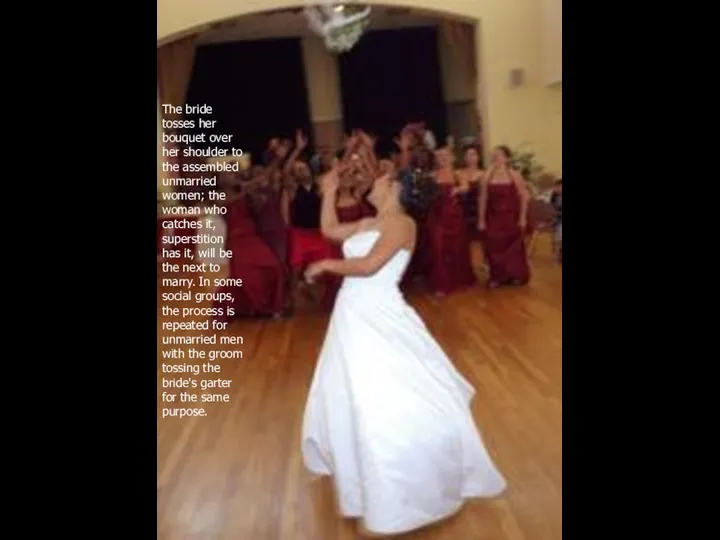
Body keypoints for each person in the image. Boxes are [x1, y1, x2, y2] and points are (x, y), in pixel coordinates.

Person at [301, 164, 506, 537]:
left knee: (384, 396)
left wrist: (325, 264)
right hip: (352, 315)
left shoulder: (402, 224)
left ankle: (403, 487)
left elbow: (368, 265)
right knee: (351, 392)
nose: (373, 179)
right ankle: (362, 476)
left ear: (393, 187)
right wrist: (329, 191)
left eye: (381, 176)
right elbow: (330, 230)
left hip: (379, 314)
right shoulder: (370, 221)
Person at [423, 145, 476, 296]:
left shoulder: (457, 173)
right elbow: (426, 195)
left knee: (456, 247)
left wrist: (458, 189)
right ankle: (441, 284)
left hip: (454, 216)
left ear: (451, 157)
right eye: (439, 156)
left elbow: (466, 187)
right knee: (438, 248)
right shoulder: (432, 175)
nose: (442, 159)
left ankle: (459, 279)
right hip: (437, 216)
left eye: (445, 155)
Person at [478, 145, 531, 288]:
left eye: (499, 155)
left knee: (514, 248)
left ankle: (515, 276)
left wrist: (523, 217)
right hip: (493, 217)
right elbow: (483, 199)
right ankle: (497, 277)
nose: (496, 157)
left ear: (507, 158)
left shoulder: (514, 174)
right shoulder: (487, 176)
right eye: (494, 155)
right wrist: (481, 219)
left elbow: (524, 196)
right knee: (493, 247)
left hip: (511, 217)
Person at [551, 178, 562, 262]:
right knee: (557, 237)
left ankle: (558, 254)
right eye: (557, 187)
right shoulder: (554, 195)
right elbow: (551, 207)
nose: (558, 189)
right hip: (557, 220)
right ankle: (557, 254)